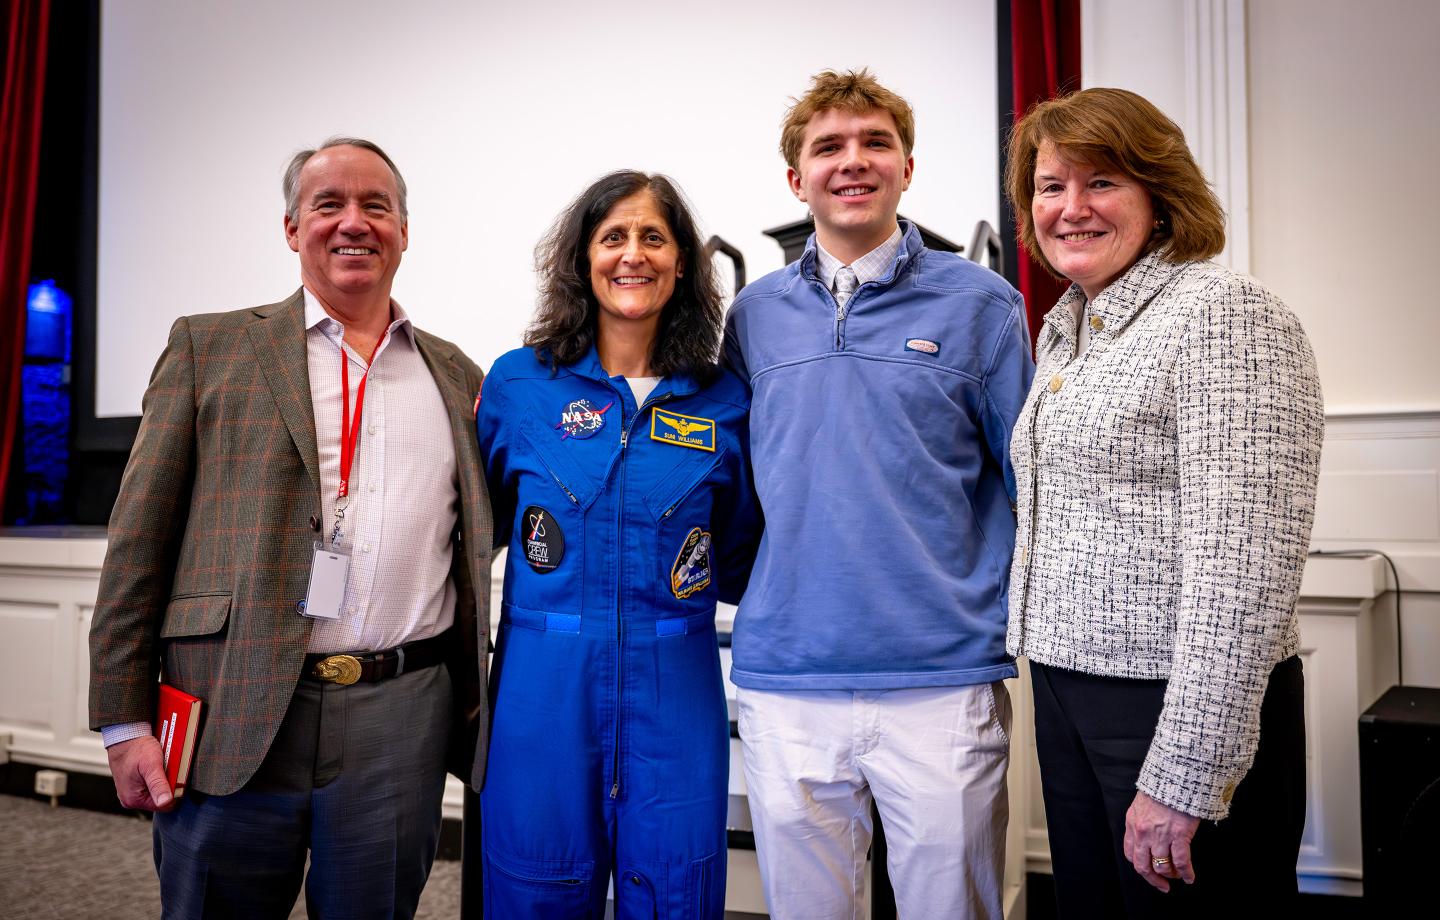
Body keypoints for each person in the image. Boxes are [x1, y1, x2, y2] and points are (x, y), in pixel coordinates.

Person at [88, 137, 491, 918]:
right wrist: (122, 719)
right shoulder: (211, 348)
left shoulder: (457, 375)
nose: (353, 223)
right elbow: (137, 543)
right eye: (327, 204)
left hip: (398, 718)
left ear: (405, 229)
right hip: (230, 707)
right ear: (290, 227)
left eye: (376, 206)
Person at [1003, 87, 1324, 917]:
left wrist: (1186, 775)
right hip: (1073, 690)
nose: (1070, 208)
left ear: (1160, 193)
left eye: (1101, 181)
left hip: (1169, 705)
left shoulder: (1223, 314)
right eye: (1050, 186)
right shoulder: (1075, 325)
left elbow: (1245, 573)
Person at [722, 69, 1034, 919]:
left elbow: (1030, 486)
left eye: (874, 143)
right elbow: (738, 488)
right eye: (828, 147)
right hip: (788, 679)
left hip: (942, 680)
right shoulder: (751, 317)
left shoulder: (985, 307)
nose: (852, 162)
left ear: (906, 166)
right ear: (797, 179)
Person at [475, 170, 760, 918]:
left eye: (653, 237)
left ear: (683, 262)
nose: (632, 255)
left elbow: (734, 553)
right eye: (613, 237)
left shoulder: (724, 398)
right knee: (535, 889)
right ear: (582, 258)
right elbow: (476, 536)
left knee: (676, 891)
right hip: (544, 688)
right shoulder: (517, 386)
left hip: (676, 692)